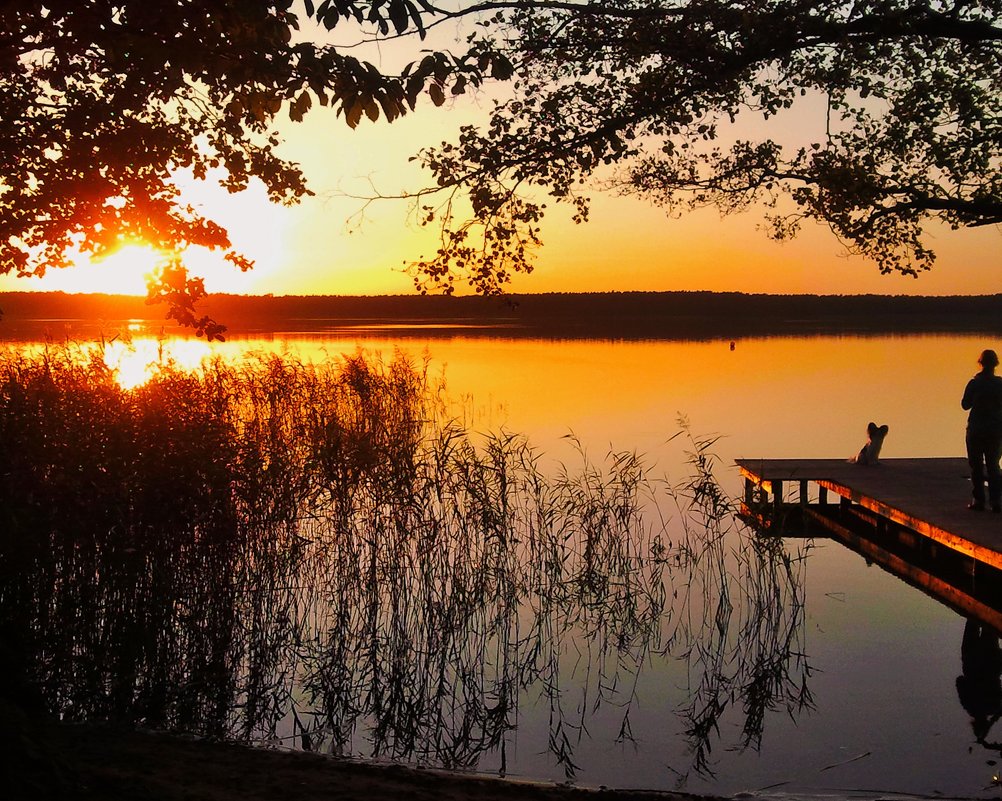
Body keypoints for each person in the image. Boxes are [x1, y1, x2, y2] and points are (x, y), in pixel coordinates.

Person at [962, 348, 1002, 512]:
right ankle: (996, 502)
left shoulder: (974, 383)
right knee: (993, 466)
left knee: (976, 466)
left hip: (976, 430)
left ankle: (979, 501)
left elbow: (965, 405)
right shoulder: (1000, 384)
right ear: (995, 364)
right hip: (995, 430)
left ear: (981, 363)